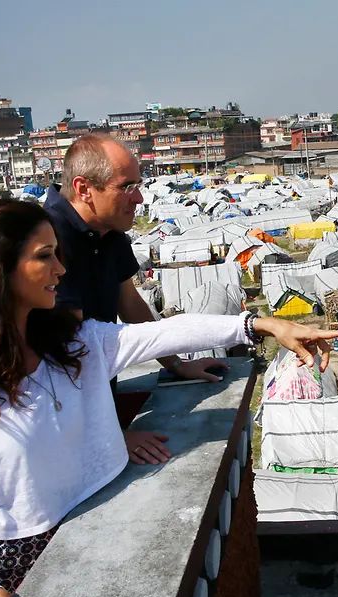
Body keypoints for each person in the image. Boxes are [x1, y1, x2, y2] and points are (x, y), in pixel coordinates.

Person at [0, 199, 338, 597]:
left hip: (90, 542)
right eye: (44, 256)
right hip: (8, 575)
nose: (61, 269)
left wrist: (262, 324)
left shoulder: (76, 346)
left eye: (58, 252)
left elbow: (162, 333)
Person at [46, 135, 230, 464]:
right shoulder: (50, 239)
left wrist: (176, 364)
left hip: (96, 404)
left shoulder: (107, 231)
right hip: (59, 426)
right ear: (84, 189)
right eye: (127, 187)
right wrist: (111, 435)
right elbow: (66, 356)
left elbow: (129, 304)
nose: (140, 198)